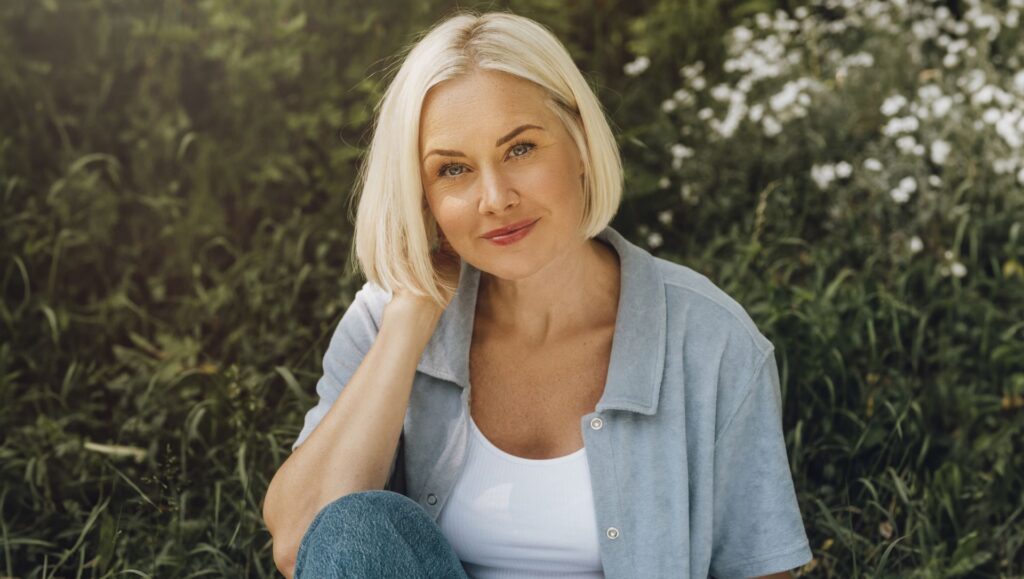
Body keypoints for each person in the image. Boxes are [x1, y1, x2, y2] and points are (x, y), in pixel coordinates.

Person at [262, 9, 813, 579]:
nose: (496, 198)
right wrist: (412, 318)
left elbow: (761, 569)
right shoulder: (386, 319)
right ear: (421, 194)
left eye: (520, 149)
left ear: (578, 142)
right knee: (356, 525)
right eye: (453, 170)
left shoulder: (710, 340)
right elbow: (305, 541)